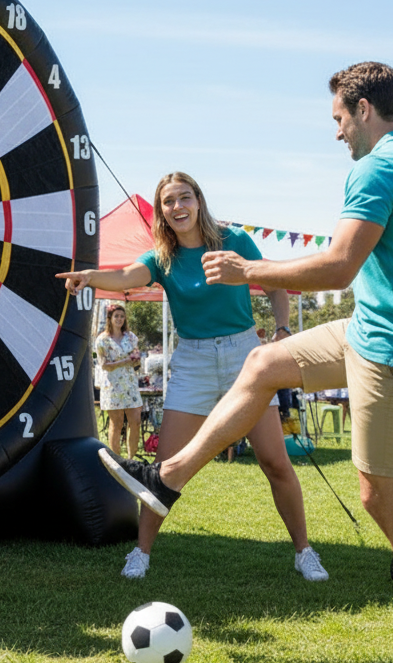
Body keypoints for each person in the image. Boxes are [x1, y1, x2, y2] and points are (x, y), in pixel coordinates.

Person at [94, 62, 393, 663]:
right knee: (265, 361)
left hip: (391, 348)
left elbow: (337, 268)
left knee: (381, 497)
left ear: (362, 109)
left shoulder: (377, 167)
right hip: (376, 332)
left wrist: (249, 272)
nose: (336, 134)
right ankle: (168, 478)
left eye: (337, 119)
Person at [56, 172, 328, 583]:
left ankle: (304, 552)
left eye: (185, 198)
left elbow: (273, 281)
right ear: (161, 211)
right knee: (164, 469)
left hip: (244, 356)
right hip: (193, 359)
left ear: (198, 201)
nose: (177, 207)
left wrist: (283, 328)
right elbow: (128, 277)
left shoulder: (233, 240)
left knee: (275, 461)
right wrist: (90, 277)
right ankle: (141, 552)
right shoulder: (161, 256)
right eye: (169, 201)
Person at [96, 304, 143, 458]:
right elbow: (104, 365)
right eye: (116, 316)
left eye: (122, 316)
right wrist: (125, 361)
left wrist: (137, 359)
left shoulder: (131, 337)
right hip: (112, 386)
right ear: (110, 318)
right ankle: (116, 461)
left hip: (130, 384)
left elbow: (136, 363)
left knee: (135, 421)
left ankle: (131, 460)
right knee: (117, 424)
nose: (119, 319)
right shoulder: (102, 340)